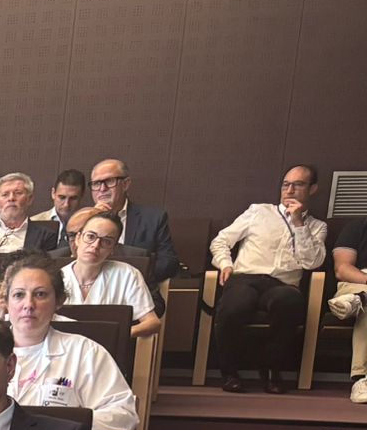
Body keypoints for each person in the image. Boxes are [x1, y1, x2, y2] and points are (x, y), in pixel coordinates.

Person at [208, 164, 327, 394]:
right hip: (245, 278)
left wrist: (299, 223)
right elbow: (220, 241)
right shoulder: (258, 211)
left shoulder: (316, 227)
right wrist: (225, 264)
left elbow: (312, 262)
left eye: (298, 185)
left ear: (312, 189)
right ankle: (229, 372)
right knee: (236, 304)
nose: (289, 190)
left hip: (282, 284)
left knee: (289, 302)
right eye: (286, 185)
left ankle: (272, 368)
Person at [1, 253, 140, 430]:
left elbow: (123, 414)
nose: (29, 304)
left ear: (59, 301)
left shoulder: (85, 352)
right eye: (19, 295)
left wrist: (62, 429)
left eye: (40, 294)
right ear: (6, 302)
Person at [63, 208, 162, 340]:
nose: (95, 245)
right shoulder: (57, 277)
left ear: (113, 249)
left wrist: (116, 334)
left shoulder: (127, 275)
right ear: (78, 238)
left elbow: (153, 323)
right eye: (90, 236)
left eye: (106, 241)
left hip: (109, 348)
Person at [88, 157, 179, 282]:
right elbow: (66, 259)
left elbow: (168, 262)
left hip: (136, 284)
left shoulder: (153, 219)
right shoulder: (81, 220)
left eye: (109, 181)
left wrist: (131, 276)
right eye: (96, 183)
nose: (102, 189)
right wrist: (92, 217)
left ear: (126, 184)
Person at [0, 172, 63, 253]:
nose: (11, 198)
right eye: (5, 194)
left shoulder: (46, 235)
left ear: (29, 199)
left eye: (18, 193)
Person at [326, 217, 367, 404]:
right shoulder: (357, 226)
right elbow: (342, 269)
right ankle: (362, 378)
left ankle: (358, 300)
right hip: (359, 279)